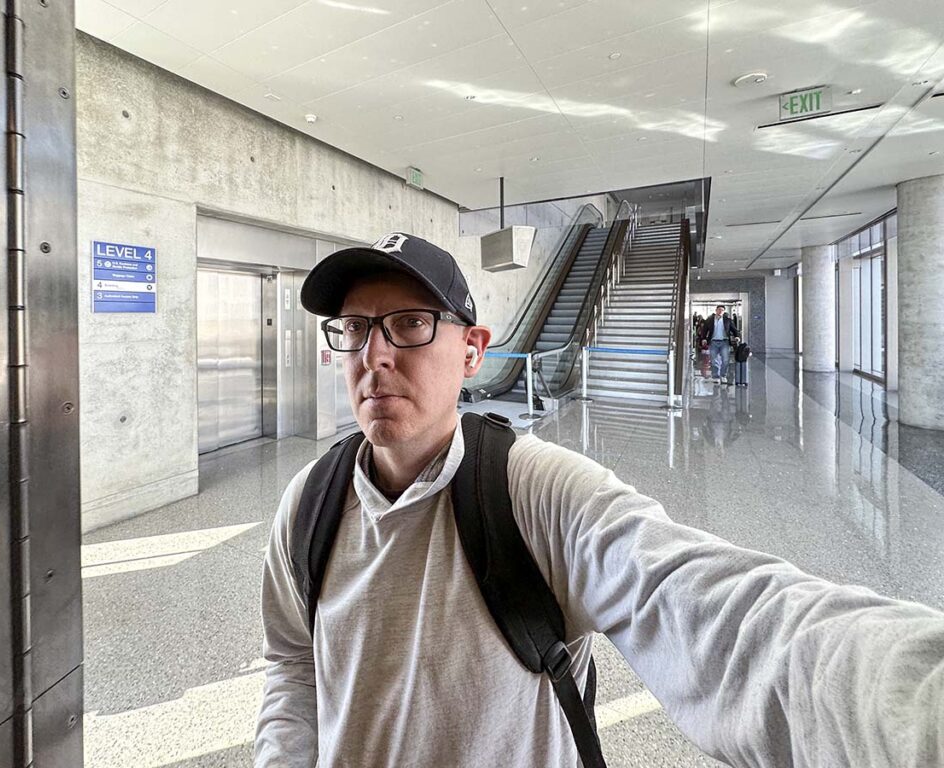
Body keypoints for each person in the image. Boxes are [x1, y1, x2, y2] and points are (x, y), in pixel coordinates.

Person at [255, 232, 944, 768]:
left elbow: (723, 616)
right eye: (353, 329)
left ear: (473, 350)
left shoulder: (533, 492)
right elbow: (291, 660)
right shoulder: (309, 504)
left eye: (408, 325)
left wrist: (911, 705)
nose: (373, 354)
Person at [700, 305, 739, 384]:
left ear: (723, 312)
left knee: (725, 360)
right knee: (714, 360)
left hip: (724, 342)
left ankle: (723, 375)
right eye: (719, 309)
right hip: (713, 342)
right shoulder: (710, 320)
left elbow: (734, 330)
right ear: (716, 310)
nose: (720, 311)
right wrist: (704, 338)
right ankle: (716, 376)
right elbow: (704, 330)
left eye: (722, 310)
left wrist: (737, 336)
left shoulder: (728, 320)